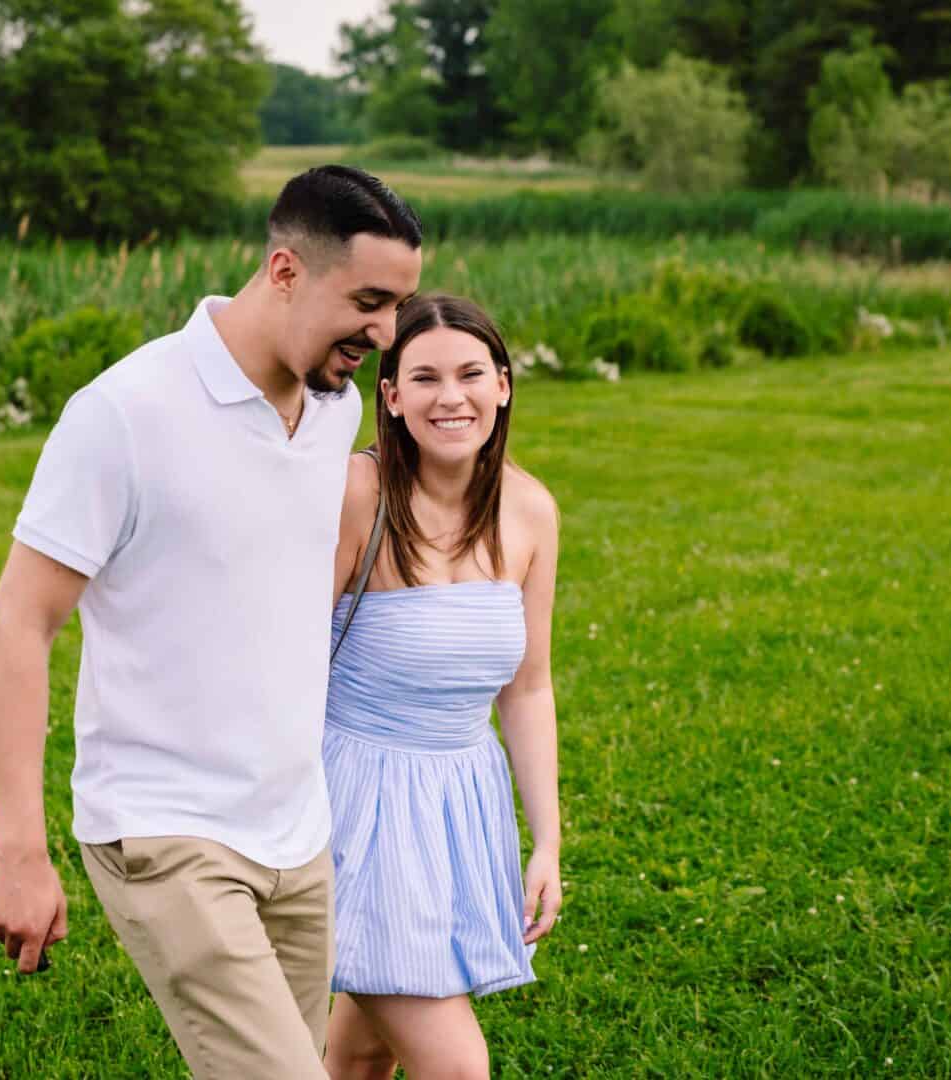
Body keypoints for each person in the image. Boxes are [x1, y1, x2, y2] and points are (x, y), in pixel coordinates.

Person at [0, 165, 422, 1077]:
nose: (384, 335)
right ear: (286, 270)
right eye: (369, 302)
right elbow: (21, 623)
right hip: (164, 828)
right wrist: (19, 852)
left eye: (396, 308)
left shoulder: (332, 408)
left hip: (299, 831)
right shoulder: (125, 414)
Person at [322, 294, 564, 1079]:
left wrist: (547, 839)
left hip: (458, 796)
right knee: (457, 1066)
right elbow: (279, 660)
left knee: (359, 1054)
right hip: (357, 801)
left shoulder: (529, 510)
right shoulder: (355, 495)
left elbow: (526, 689)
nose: (449, 397)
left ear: (502, 386)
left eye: (469, 374)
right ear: (390, 397)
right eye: (422, 377)